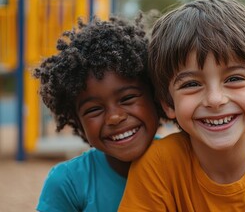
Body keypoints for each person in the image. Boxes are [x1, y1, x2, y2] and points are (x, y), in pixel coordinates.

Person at [119, 0, 245, 211]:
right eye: (192, 84)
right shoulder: (157, 164)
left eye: (234, 79)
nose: (215, 99)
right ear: (168, 103)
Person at [34, 13, 160, 212]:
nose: (114, 117)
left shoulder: (185, 161)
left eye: (127, 98)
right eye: (93, 109)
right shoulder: (68, 183)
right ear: (77, 120)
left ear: (155, 95)